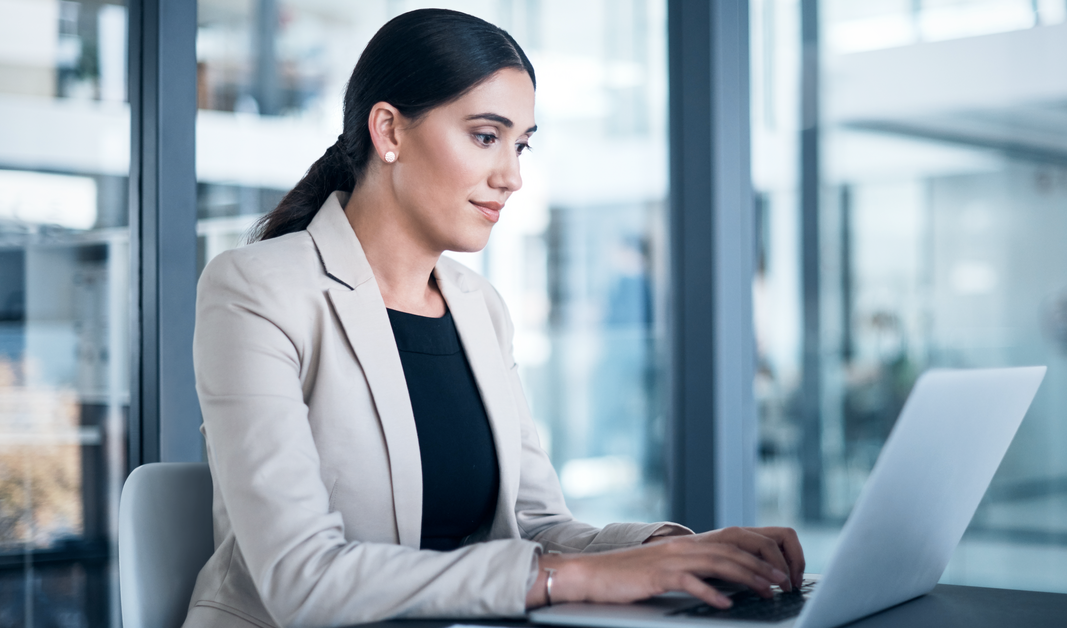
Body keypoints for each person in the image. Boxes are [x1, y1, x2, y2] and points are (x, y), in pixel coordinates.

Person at [185, 9, 804, 628]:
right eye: (486, 136)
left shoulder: (479, 307)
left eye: (522, 144)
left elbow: (535, 526)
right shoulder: (256, 290)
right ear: (389, 131)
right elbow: (303, 578)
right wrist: (572, 578)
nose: (512, 177)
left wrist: (667, 551)